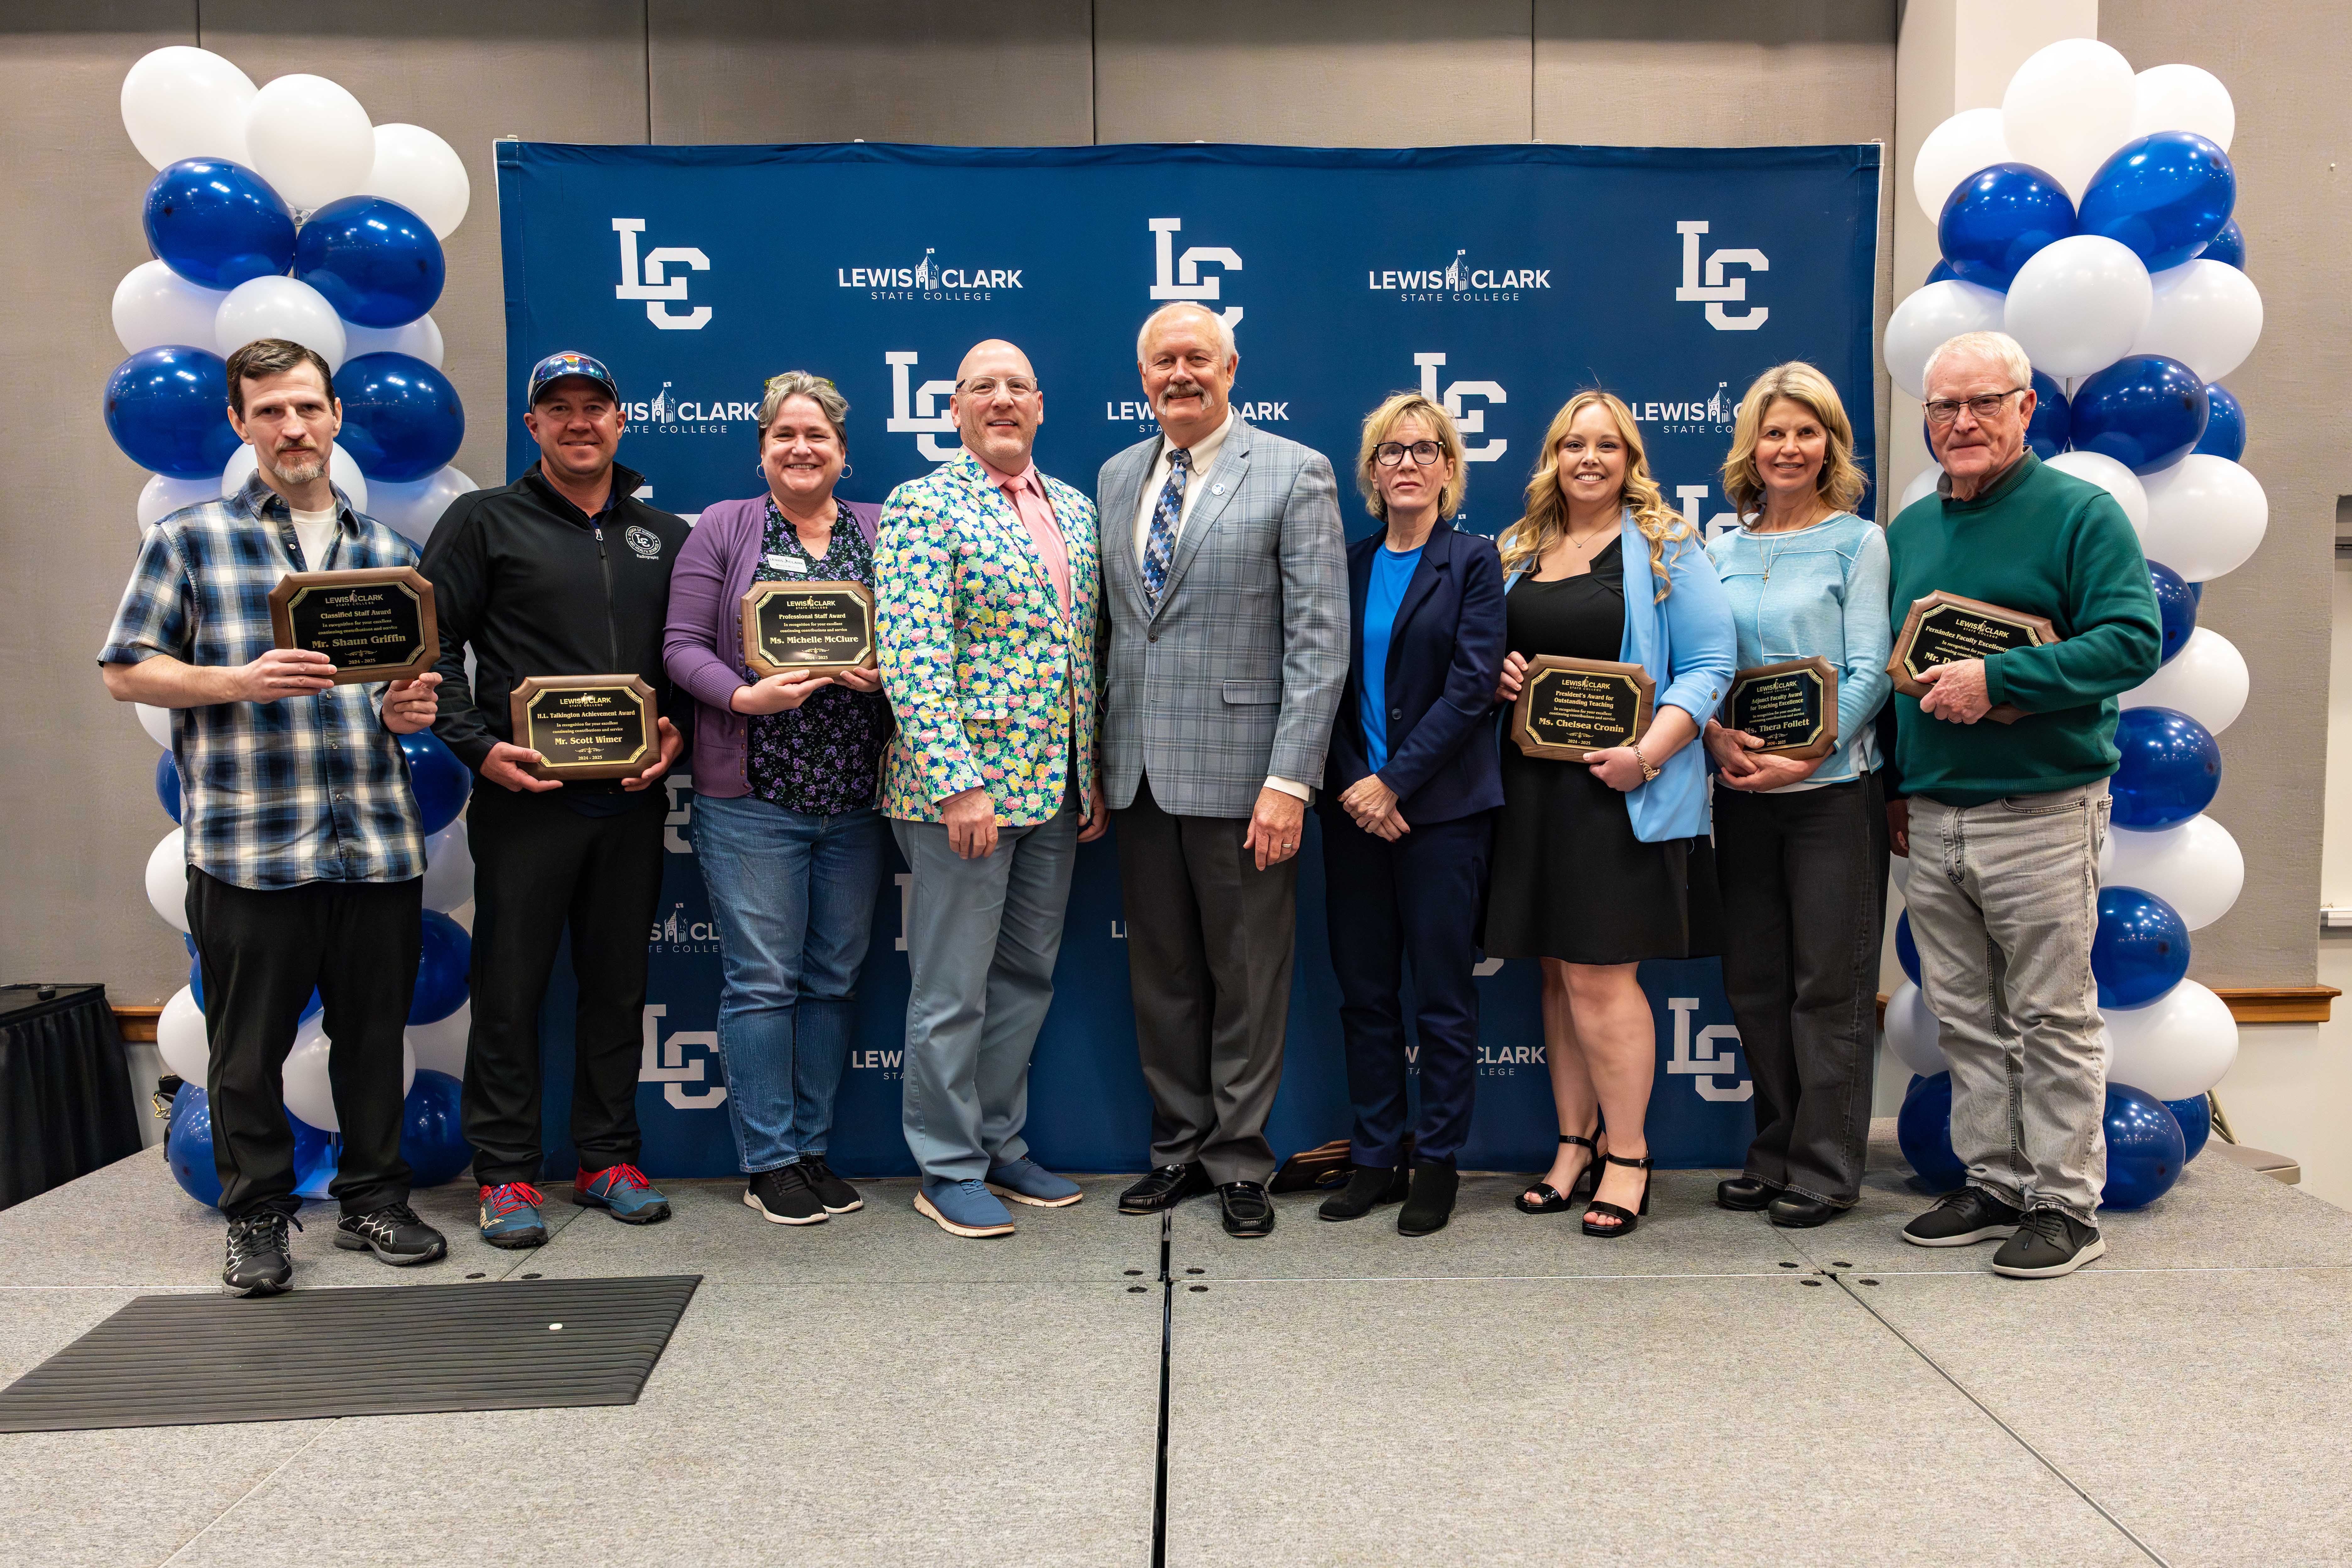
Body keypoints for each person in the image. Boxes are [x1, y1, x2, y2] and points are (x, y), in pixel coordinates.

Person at [99, 337, 447, 1295]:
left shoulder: (389, 556)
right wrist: (236, 682)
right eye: (270, 413)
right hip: (251, 847)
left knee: (374, 1038)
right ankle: (257, 1218)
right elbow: (128, 667)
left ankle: (376, 1199)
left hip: (374, 842)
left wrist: (408, 709)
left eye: (307, 409)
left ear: (335, 417)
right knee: (245, 1050)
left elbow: (409, 689)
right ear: (240, 424)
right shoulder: (190, 539)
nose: (293, 429)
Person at [1888, 330, 2160, 1279]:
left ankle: (2066, 1205)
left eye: (1982, 403)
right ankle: (1996, 1180)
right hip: (1934, 811)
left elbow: (2132, 640)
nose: (1962, 423)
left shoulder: (2080, 515)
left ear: (2025, 407)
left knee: (2050, 1015)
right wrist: (1895, 784)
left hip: (2042, 810)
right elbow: (1898, 675)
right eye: (1944, 408)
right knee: (1964, 1012)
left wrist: (2001, 675)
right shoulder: (1914, 529)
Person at [418, 351, 688, 1249]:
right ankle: (505, 1173)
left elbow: (685, 655)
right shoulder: (482, 522)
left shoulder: (665, 536)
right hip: (524, 799)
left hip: (631, 800)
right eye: (558, 409)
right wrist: (477, 748)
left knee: (617, 988)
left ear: (622, 420)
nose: (579, 422)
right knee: (511, 990)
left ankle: (607, 1159)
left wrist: (678, 732)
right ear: (532, 426)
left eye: (595, 407)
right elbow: (430, 646)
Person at [1097, 302, 1348, 1238]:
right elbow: (1113, 637)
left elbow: (1318, 643)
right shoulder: (1120, 476)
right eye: (1163, 361)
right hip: (1139, 778)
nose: (1180, 374)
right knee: (1161, 976)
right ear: (1144, 376)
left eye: (1196, 357)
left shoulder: (1295, 471)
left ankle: (1242, 1159)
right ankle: (1178, 1152)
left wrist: (1291, 780)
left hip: (1250, 783)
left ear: (1232, 367)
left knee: (1247, 976)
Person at [1487, 390, 1735, 1238]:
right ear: (1552, 456)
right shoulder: (1518, 549)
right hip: (1532, 795)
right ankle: (1572, 1145)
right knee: (1555, 975)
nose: (1589, 459)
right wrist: (1498, 680)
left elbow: (1708, 665)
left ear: (1631, 459)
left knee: (1601, 976)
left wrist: (1650, 755)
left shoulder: (1668, 547)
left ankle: (1629, 1156)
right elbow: (1487, 656)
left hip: (1621, 794)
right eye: (1573, 444)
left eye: (1607, 445)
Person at [873, 338, 1105, 1240]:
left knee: (1024, 980)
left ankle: (1001, 1145)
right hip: (959, 796)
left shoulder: (1077, 510)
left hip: (1054, 789)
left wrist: (1089, 775)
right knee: (952, 988)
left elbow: (1083, 651)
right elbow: (914, 649)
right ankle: (947, 1165)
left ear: (1040, 406)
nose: (1001, 399)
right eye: (982, 388)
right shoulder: (924, 504)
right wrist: (956, 782)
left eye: (1017, 387)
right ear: (956, 408)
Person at [663, 372, 890, 1227]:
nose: (802, 448)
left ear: (843, 453)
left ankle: (813, 1147)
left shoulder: (877, 530)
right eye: (785, 435)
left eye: (819, 436)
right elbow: (682, 646)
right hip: (752, 793)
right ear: (762, 449)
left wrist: (886, 674)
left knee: (831, 980)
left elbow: (915, 637)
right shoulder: (725, 528)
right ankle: (769, 1163)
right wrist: (740, 698)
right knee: (762, 982)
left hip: (856, 797)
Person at [1701, 363, 1891, 1229]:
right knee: (1755, 982)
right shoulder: (1719, 550)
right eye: (1774, 432)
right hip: (1741, 793)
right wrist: (1712, 736)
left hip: (1832, 797)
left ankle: (1825, 1168)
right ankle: (1773, 1152)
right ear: (1752, 445)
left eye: (1807, 432)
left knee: (1827, 986)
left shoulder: (1860, 542)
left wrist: (1807, 758)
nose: (1789, 447)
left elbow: (1869, 675)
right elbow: (1701, 668)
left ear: (1830, 447)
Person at [1314, 393, 1505, 1237]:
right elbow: (1321, 686)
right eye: (1390, 452)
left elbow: (1473, 687)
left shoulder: (1472, 561)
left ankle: (1437, 1163)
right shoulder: (1346, 565)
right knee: (1364, 996)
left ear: (1448, 470)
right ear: (1370, 472)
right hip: (1353, 811)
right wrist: (1361, 783)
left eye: (1424, 451)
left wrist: (1396, 784)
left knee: (1441, 998)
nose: (1406, 465)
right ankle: (1374, 1157)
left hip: (1444, 814)